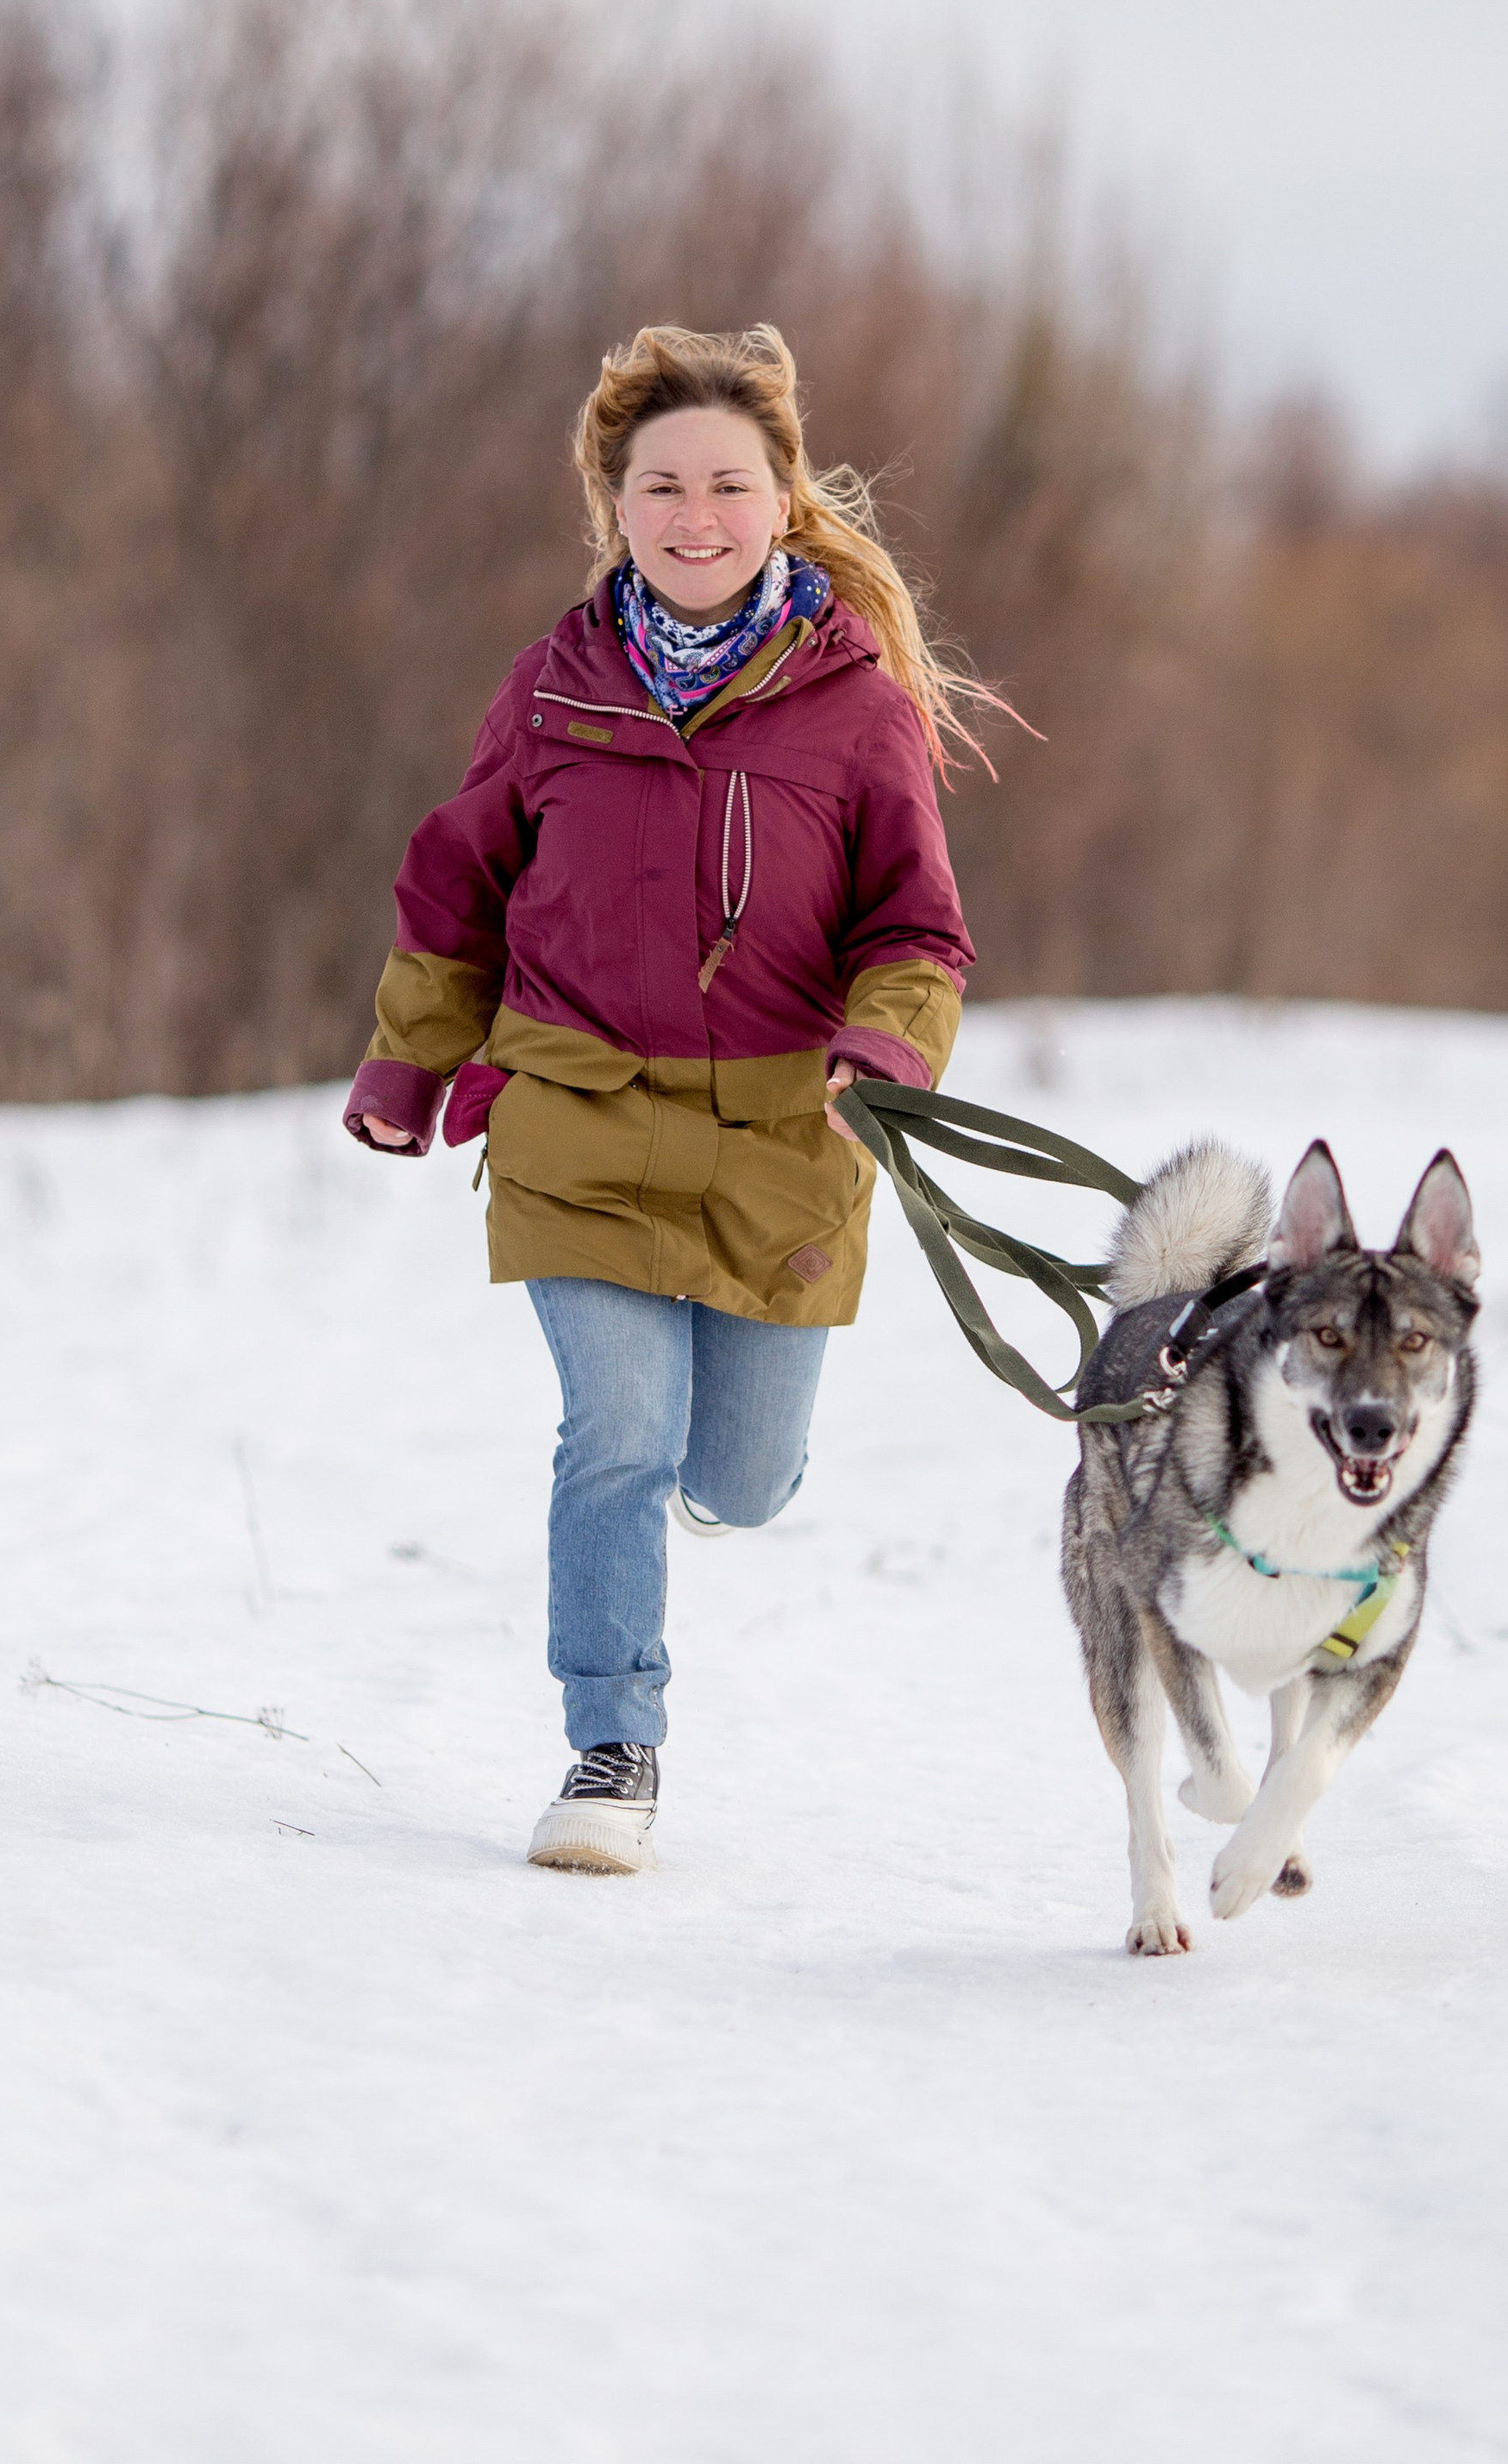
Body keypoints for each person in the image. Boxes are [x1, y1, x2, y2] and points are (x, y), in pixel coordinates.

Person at [344, 322, 979, 1873]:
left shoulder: (859, 708)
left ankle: (719, 1487)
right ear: (613, 506)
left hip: (781, 1141)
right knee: (615, 1430)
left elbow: (918, 932)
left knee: (742, 1481)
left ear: (783, 502)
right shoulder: (556, 686)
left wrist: (887, 1050)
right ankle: (609, 1751)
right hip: (576, 1109)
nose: (696, 515)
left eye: (728, 485)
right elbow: (460, 884)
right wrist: (412, 1060)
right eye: (662, 487)